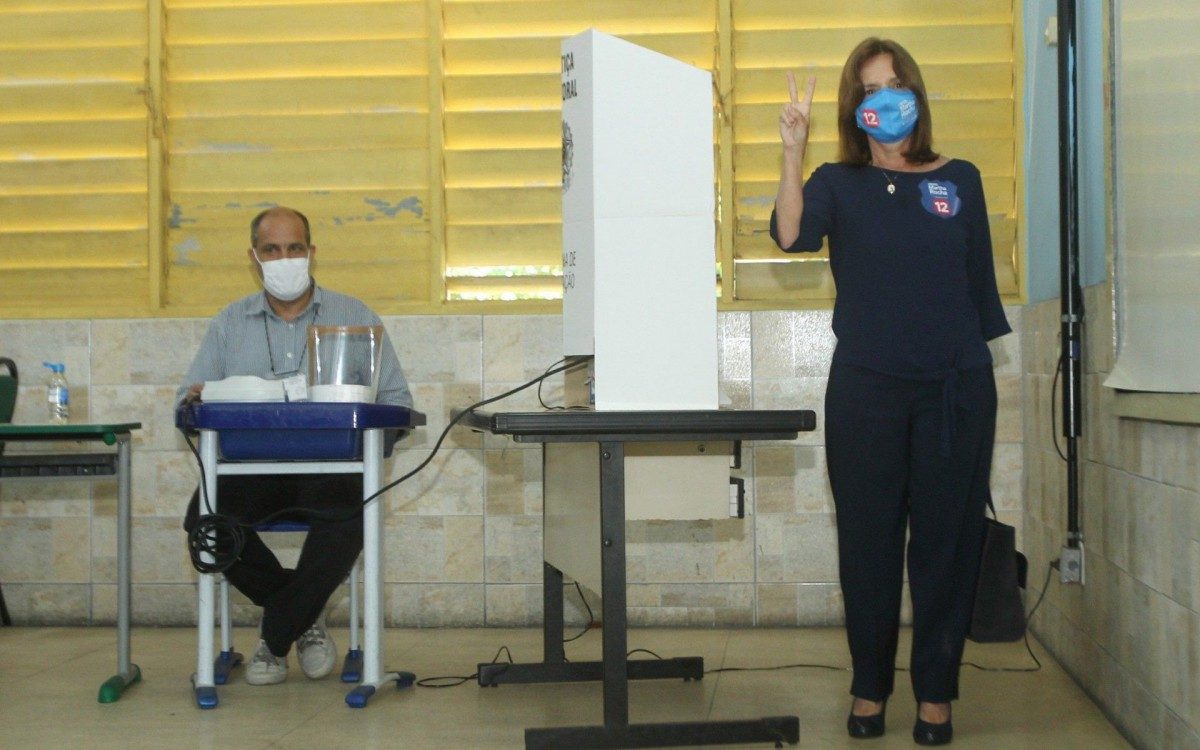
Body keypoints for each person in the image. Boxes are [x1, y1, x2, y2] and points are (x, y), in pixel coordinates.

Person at [770, 38, 1010, 746]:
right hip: (866, 392)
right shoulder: (836, 182)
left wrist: (971, 371)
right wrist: (791, 149)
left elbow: (977, 290)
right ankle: (869, 687)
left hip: (954, 392)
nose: (888, 96)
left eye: (898, 82)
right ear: (857, 109)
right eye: (872, 88)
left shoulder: (959, 177)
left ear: (917, 94)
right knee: (869, 546)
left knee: (947, 545)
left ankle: (936, 694)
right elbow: (791, 235)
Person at [179, 206, 413, 686]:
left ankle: (277, 631)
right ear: (254, 257)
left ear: (311, 253)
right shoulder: (229, 323)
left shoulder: (355, 316)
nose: (284, 258)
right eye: (272, 250)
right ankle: (302, 619)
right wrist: (200, 397)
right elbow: (188, 400)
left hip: (333, 469)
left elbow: (397, 402)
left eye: (294, 248)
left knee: (355, 511)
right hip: (250, 468)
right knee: (204, 520)